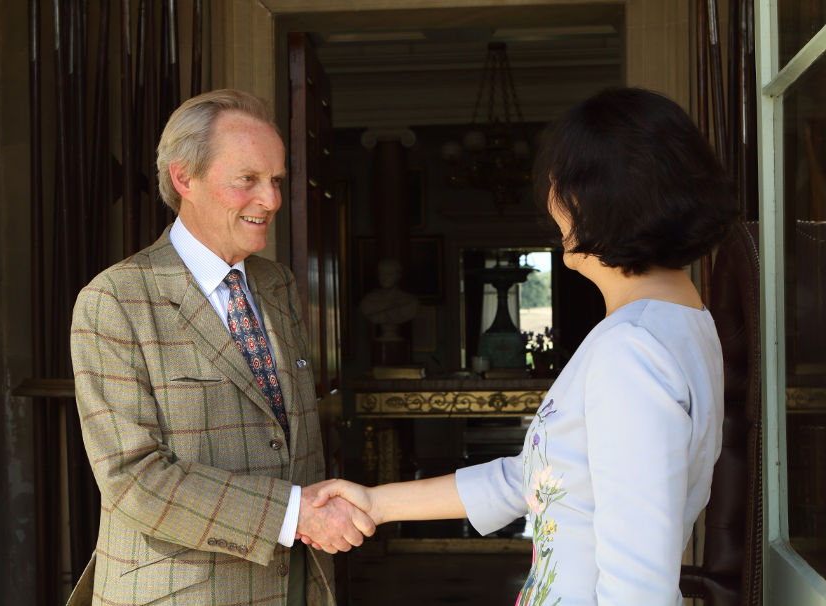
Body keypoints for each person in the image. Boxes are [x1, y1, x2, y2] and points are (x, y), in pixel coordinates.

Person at [302, 87, 740, 605]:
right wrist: (375, 502)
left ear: (599, 195)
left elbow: (639, 583)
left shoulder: (632, 350)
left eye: (559, 181)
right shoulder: (681, 322)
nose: (551, 199)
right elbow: (536, 478)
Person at [68, 89, 373, 606]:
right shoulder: (115, 299)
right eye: (247, 180)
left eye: (275, 180)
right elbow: (134, 478)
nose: (272, 200)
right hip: (182, 593)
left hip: (298, 582)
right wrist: (291, 513)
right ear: (185, 178)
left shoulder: (277, 285)